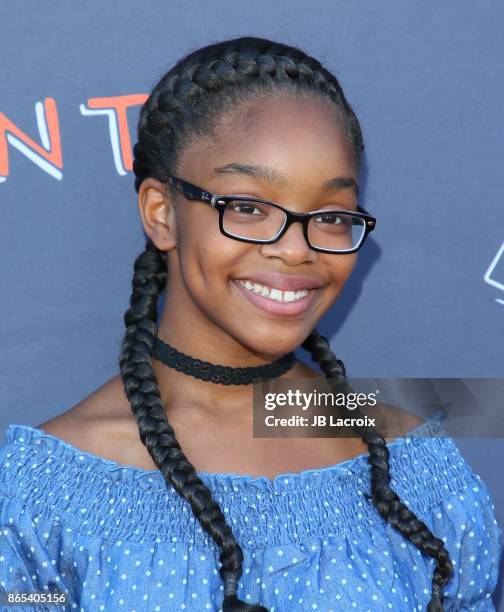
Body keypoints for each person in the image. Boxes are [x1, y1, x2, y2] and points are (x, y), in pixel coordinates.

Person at [0, 36, 502, 612]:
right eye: (247, 208)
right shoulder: (45, 495)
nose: (295, 250)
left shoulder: (413, 464)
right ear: (161, 213)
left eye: (331, 215)